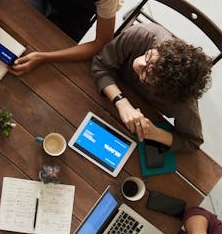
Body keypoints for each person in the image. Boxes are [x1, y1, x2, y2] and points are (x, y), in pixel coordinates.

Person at [91, 23, 213, 152]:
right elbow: (101, 65)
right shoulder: (143, 34)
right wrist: (122, 103)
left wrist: (155, 133)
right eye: (149, 57)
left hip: (138, 124)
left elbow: (192, 142)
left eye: (147, 73)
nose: (139, 63)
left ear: (163, 90)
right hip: (102, 94)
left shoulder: (183, 100)